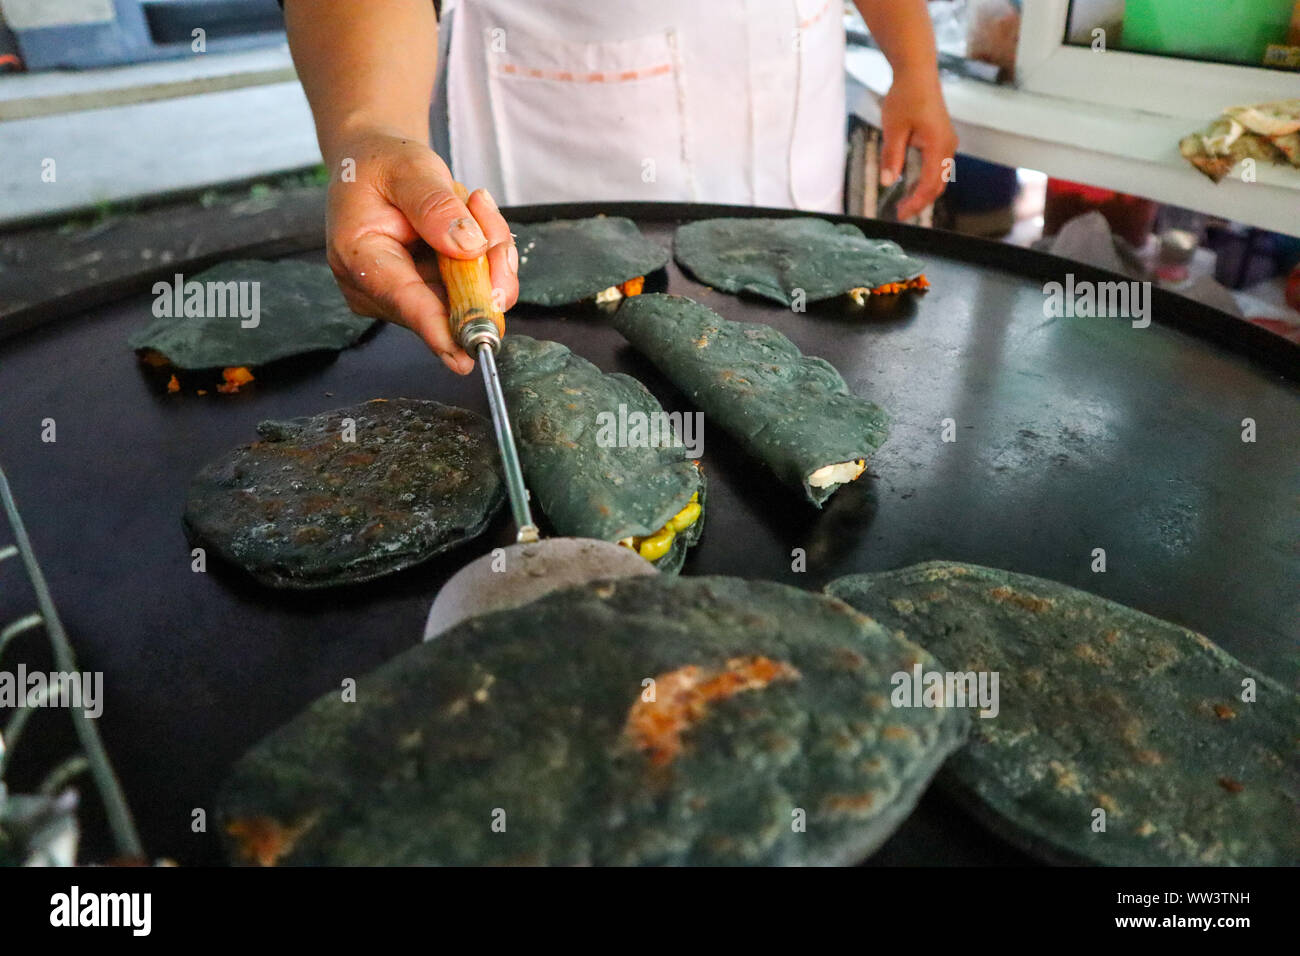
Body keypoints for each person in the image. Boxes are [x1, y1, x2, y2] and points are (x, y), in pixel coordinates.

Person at [283, 1, 957, 374]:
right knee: (577, 388)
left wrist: (913, 60)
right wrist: (368, 126)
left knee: (802, 378)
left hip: (793, 99)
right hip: (565, 120)